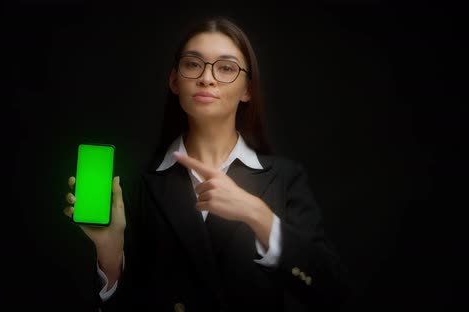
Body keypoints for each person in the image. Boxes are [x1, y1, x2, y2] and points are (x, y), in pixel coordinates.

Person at [63, 16, 349, 312]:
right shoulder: (138, 184)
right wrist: (109, 252)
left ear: (248, 89)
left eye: (226, 68)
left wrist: (257, 213)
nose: (207, 78)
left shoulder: (284, 178)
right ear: (174, 80)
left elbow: (331, 290)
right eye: (193, 64)